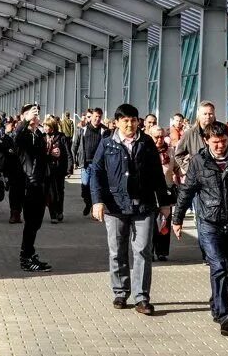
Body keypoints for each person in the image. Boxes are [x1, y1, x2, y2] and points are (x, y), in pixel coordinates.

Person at [172, 121, 228, 335]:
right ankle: (224, 314)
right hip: (208, 221)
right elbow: (187, 191)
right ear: (206, 141)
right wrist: (177, 218)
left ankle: (217, 302)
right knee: (218, 266)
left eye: (223, 141)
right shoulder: (198, 161)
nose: (220, 146)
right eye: (215, 142)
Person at [89, 103, 173, 315]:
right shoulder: (107, 144)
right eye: (125, 120)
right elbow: (96, 173)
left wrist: (164, 203)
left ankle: (142, 297)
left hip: (143, 205)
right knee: (117, 249)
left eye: (133, 120)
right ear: (117, 122)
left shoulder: (146, 143)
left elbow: (157, 175)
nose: (129, 124)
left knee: (142, 250)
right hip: (115, 206)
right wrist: (97, 201)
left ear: (138, 122)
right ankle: (120, 291)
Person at [14, 104, 54, 272]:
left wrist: (52, 154)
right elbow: (18, 137)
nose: (36, 116)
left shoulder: (37, 134)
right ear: (24, 116)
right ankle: (26, 258)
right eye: (32, 114)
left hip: (39, 183)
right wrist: (25, 120)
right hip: (28, 184)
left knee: (36, 222)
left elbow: (40, 159)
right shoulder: (22, 134)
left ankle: (30, 254)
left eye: (37, 114)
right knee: (31, 223)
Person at [147, 122, 175, 261]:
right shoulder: (145, 151)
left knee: (165, 221)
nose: (159, 140)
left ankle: (162, 251)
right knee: (151, 222)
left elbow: (177, 167)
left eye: (162, 137)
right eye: (156, 137)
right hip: (150, 191)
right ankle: (150, 250)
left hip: (166, 190)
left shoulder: (170, 151)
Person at [72, 108, 106, 217]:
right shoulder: (83, 130)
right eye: (95, 116)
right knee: (85, 186)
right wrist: (73, 161)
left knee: (95, 186)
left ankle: (93, 207)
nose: (97, 119)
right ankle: (87, 203)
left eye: (99, 117)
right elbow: (75, 145)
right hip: (85, 163)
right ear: (91, 117)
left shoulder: (104, 131)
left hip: (98, 164)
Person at [173, 101, 216, 178]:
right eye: (205, 114)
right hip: (199, 177)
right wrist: (190, 169)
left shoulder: (221, 131)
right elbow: (178, 155)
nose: (208, 116)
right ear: (199, 115)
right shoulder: (189, 133)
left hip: (217, 175)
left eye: (210, 114)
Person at [41, 117, 70, 223]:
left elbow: (67, 153)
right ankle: (53, 214)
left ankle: (59, 211)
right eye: (44, 125)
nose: (44, 128)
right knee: (50, 193)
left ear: (52, 127)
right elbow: (40, 154)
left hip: (59, 169)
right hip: (47, 170)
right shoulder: (42, 138)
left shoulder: (61, 137)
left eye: (47, 125)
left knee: (59, 191)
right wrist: (48, 153)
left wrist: (69, 167)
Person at [0, 116, 25, 224]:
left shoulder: (22, 137)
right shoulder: (5, 138)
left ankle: (18, 213)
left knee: (21, 193)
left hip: (23, 170)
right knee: (14, 192)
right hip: (11, 170)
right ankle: (14, 213)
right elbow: (3, 151)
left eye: (9, 123)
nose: (7, 125)